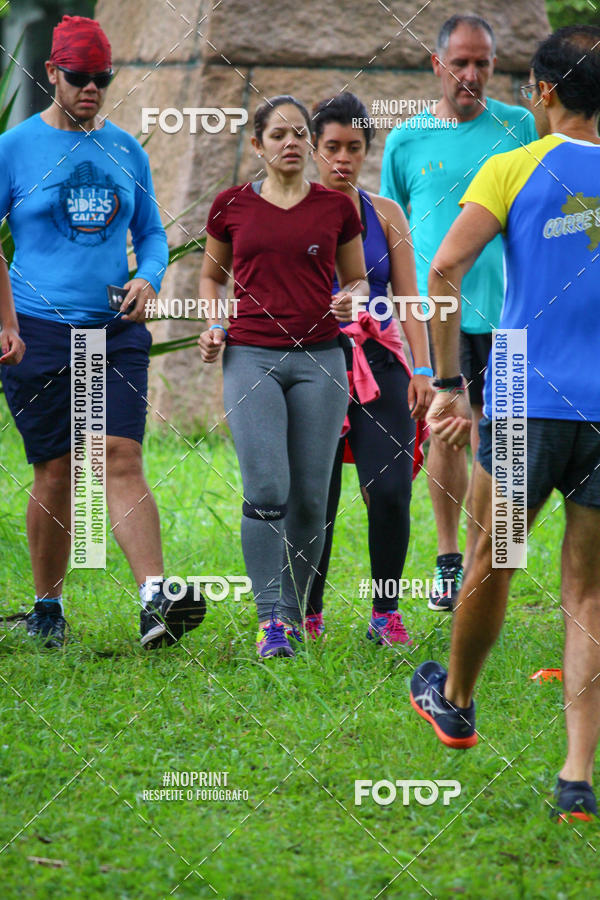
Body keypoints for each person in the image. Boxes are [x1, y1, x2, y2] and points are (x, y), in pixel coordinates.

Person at [409, 25, 600, 823]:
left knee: (495, 556)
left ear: (545, 91)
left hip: (523, 389)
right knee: (588, 594)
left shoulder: (513, 165)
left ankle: (454, 701)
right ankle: (575, 777)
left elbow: (445, 266)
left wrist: (451, 381)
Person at [0, 15, 206, 649]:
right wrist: (5, 321)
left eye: (103, 79)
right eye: (81, 78)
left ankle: (154, 603)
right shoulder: (14, 147)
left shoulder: (126, 150)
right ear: (52, 73)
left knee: (120, 456)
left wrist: (148, 277)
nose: (92, 89)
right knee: (56, 472)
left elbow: (149, 232)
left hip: (113, 329)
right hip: (36, 329)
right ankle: (47, 607)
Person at [199, 94, 368, 658]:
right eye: (278, 135)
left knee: (312, 500)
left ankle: (293, 620)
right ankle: (270, 618)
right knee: (268, 488)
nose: (291, 143)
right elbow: (210, 280)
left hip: (322, 359)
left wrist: (353, 301)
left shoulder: (337, 208)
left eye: (300, 134)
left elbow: (358, 282)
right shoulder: (231, 206)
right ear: (257, 145)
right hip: (251, 356)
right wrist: (214, 324)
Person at [380, 13, 538, 612]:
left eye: (483, 63)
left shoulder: (520, 125)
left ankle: (493, 562)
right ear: (436, 64)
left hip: (511, 314)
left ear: (495, 66)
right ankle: (450, 561)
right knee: (448, 432)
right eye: (460, 62)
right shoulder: (405, 140)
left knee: (509, 445)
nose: (471, 74)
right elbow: (396, 232)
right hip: (437, 317)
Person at [305, 91, 433, 647]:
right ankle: (307, 613)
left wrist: (425, 370)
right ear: (312, 149)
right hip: (311, 361)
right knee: (316, 495)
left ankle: (384, 613)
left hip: (381, 363)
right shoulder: (288, 212)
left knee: (389, 490)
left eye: (354, 147)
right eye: (331, 146)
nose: (342, 158)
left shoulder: (385, 213)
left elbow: (409, 297)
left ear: (367, 151)